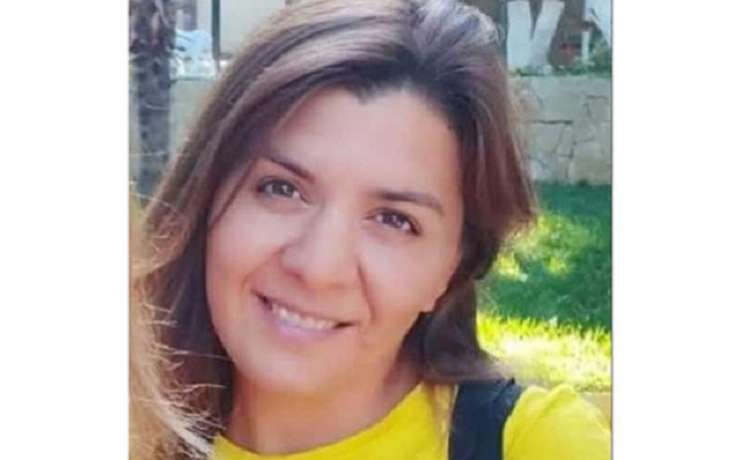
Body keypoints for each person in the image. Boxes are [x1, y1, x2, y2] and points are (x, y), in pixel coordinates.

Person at [130, 0, 611, 459]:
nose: (318, 267)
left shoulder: (534, 446)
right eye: (281, 189)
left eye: (394, 220)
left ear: (454, 267)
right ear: (207, 194)